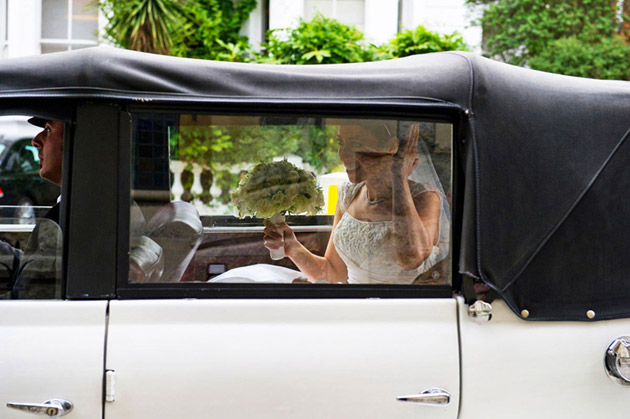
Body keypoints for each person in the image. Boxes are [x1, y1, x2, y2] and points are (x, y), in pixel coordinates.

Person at [263, 120, 449, 285]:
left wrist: (398, 177)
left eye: (357, 145)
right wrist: (293, 248)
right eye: (341, 143)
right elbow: (332, 273)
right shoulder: (347, 194)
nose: (343, 155)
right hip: (352, 307)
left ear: (390, 147)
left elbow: (411, 258)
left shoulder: (426, 198)